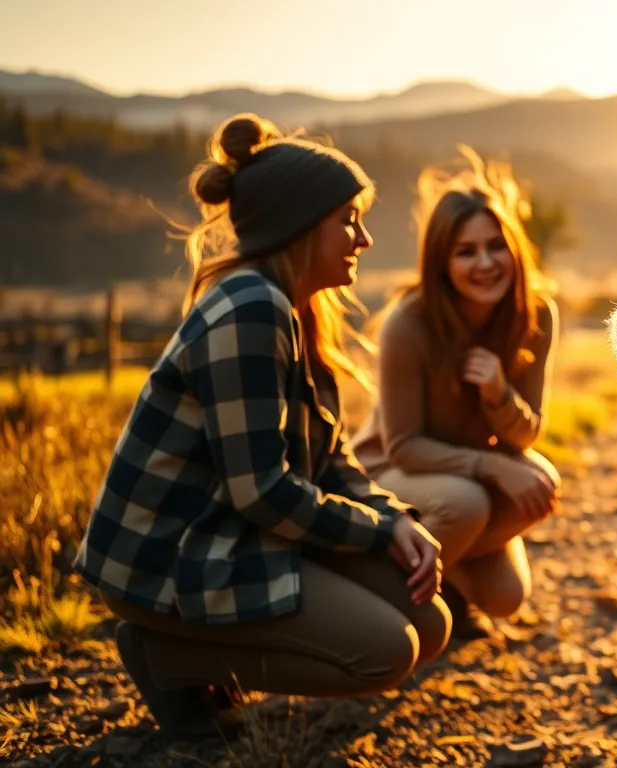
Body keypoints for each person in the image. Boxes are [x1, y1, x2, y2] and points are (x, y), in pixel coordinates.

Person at [73, 113, 451, 739]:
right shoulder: (251, 307)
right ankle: (164, 656)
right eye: (348, 221)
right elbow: (261, 490)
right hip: (169, 558)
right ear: (300, 225)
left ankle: (206, 653)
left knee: (427, 621)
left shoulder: (296, 312)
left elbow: (331, 461)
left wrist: (394, 519)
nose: (364, 240)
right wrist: (376, 536)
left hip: (230, 533)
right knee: (386, 652)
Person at [349, 147, 561, 639]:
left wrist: (498, 394)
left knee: (508, 591)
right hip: (390, 471)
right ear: (441, 262)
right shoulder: (409, 324)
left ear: (514, 248)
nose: (485, 263)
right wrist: (491, 466)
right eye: (466, 252)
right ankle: (370, 592)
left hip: (456, 476)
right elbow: (402, 445)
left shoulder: (537, 314)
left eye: (495, 246)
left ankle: (446, 582)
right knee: (466, 504)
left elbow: (525, 435)